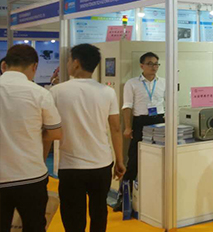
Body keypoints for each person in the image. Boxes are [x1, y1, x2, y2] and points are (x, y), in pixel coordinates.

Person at [49, 44, 126, 232]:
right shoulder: (107, 92)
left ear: (76, 63)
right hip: (101, 164)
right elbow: (116, 128)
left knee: (73, 216)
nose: (68, 63)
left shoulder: (57, 91)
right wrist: (119, 160)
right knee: (99, 211)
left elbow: (49, 129)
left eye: (69, 60)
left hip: (71, 166)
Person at [0, 45, 62, 232]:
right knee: (34, 226)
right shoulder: (40, 93)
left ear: (4, 65)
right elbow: (56, 133)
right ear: (34, 67)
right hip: (31, 176)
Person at [116, 52, 165, 210]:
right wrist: (128, 127)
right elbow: (127, 106)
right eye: (150, 63)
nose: (154, 67)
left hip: (160, 121)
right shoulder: (132, 83)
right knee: (134, 160)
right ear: (141, 65)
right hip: (140, 122)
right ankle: (124, 198)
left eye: (156, 64)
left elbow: (169, 103)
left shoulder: (164, 82)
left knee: (160, 157)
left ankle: (154, 196)